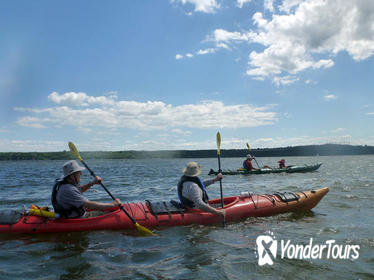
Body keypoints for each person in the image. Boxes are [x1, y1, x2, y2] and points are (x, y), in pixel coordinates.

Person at [52, 160, 122, 218]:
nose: (81, 174)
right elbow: (88, 204)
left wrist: (92, 183)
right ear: (71, 176)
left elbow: (79, 190)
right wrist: (112, 205)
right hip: (77, 218)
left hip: (71, 214)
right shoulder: (68, 189)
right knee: (108, 213)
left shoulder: (65, 185)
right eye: (78, 172)